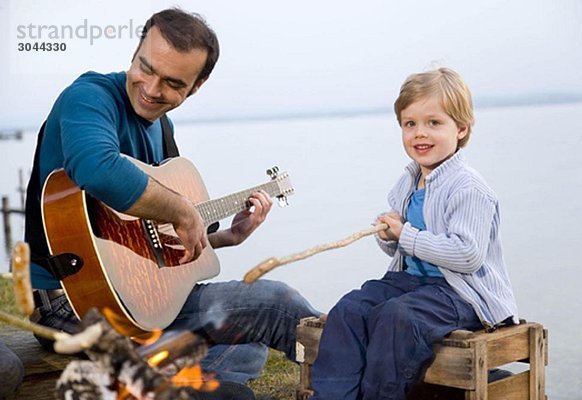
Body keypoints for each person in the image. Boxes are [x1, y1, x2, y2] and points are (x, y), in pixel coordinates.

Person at [23, 8, 319, 395]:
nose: (151, 88)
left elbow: (140, 244)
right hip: (72, 305)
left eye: (172, 83)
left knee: (247, 346)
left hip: (137, 296)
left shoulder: (162, 129)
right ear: (135, 52)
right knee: (276, 303)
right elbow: (95, 167)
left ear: (196, 86)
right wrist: (181, 209)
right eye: (145, 67)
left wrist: (221, 238)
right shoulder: (89, 97)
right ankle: (357, 370)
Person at [309, 67, 519, 400]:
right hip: (412, 284)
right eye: (410, 124)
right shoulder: (407, 182)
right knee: (350, 308)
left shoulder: (469, 188)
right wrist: (388, 236)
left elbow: (467, 256)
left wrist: (405, 234)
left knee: (397, 317)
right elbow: (402, 250)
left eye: (434, 123)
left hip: (461, 293)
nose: (420, 133)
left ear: (461, 129)